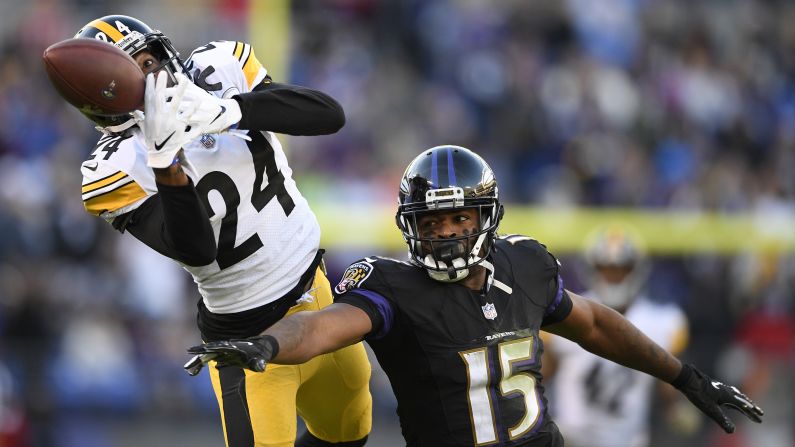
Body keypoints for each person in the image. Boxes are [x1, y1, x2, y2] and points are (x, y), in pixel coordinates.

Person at [185, 145, 764, 446]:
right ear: (412, 225)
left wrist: (683, 377)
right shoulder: (391, 287)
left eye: (459, 218)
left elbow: (593, 323)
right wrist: (266, 343)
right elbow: (318, 330)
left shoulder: (526, 263)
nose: (448, 233)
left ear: (485, 215)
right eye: (433, 223)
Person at [71, 15, 372, 447]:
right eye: (126, 79)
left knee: (350, 435)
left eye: (148, 61)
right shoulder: (116, 167)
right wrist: (166, 165)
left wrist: (231, 110)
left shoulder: (219, 68)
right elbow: (195, 249)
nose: (150, 80)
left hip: (321, 298)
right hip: (247, 340)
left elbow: (327, 115)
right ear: (101, 104)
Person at [541, 225, 696, 447]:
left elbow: (670, 389)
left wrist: (679, 409)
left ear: (637, 269)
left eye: (622, 268)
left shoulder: (662, 323)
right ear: (592, 268)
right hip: (571, 439)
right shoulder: (566, 312)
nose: (613, 275)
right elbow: (539, 377)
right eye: (606, 268)